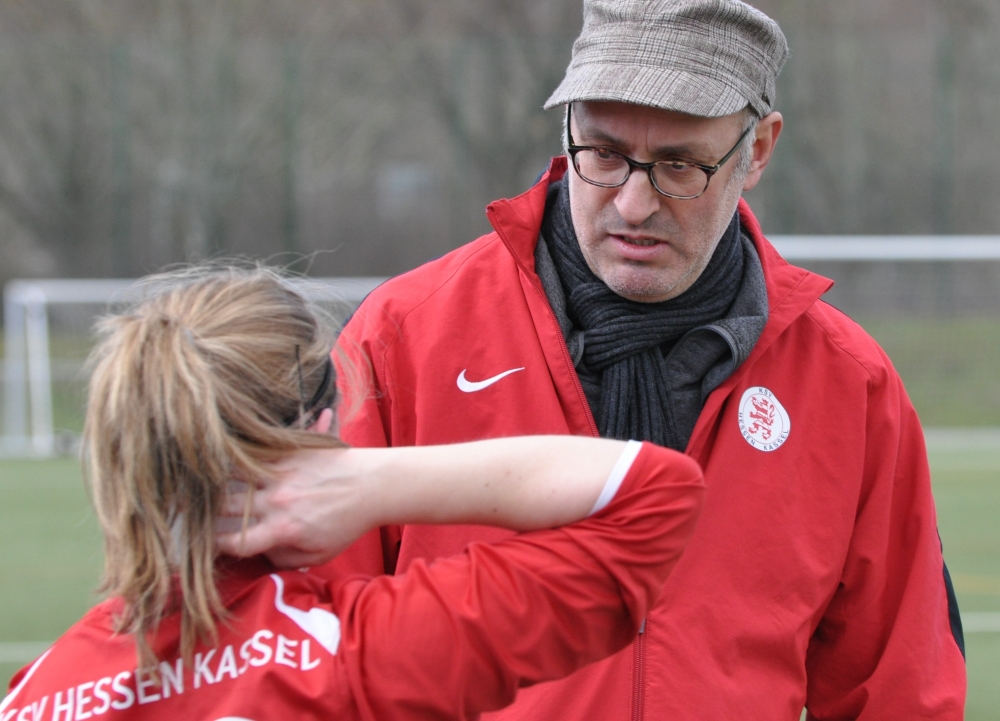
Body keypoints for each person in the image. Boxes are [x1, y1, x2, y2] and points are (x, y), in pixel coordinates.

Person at [224, 0, 967, 719]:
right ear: (567, 129)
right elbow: (294, 646)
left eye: (680, 166)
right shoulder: (405, 338)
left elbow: (900, 689)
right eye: (604, 154)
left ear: (759, 149)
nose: (634, 204)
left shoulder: (850, 385)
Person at [0, 267, 706, 721]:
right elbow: (655, 493)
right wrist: (370, 482)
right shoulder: (358, 653)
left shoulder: (35, 695)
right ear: (322, 429)